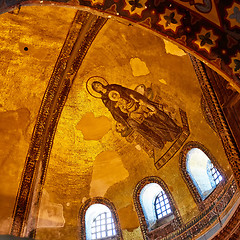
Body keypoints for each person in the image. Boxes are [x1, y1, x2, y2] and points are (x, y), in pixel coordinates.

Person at [92, 81, 182, 149]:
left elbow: (126, 92)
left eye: (98, 84)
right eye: (96, 87)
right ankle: (166, 137)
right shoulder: (105, 100)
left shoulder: (113, 87)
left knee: (157, 113)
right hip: (133, 113)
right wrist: (124, 115)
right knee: (152, 124)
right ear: (96, 90)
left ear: (100, 83)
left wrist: (136, 98)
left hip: (137, 105)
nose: (98, 87)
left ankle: (174, 130)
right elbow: (114, 111)